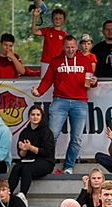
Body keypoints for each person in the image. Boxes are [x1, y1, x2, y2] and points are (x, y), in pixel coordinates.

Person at [31, 35, 95, 175]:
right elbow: (47, 80)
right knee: (52, 135)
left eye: (72, 47)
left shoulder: (85, 61)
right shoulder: (56, 61)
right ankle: (47, 163)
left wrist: (93, 82)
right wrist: (39, 91)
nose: (70, 50)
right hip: (60, 101)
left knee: (76, 138)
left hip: (80, 102)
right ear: (63, 47)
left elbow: (90, 80)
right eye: (67, 47)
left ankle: (68, 166)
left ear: (76, 47)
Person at [9, 105, 55, 195]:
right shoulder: (24, 132)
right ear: (29, 116)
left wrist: (30, 147)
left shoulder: (46, 131)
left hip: (46, 162)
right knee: (16, 168)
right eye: (33, 114)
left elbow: (47, 152)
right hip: (28, 160)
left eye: (38, 115)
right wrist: (24, 149)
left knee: (26, 169)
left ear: (41, 117)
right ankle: (8, 193)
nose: (35, 117)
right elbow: (21, 155)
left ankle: (22, 195)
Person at [31, 7, 67, 75]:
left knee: (59, 81)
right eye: (56, 18)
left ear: (64, 21)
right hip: (46, 62)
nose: (58, 20)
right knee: (45, 81)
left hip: (59, 63)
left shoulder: (65, 35)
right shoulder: (47, 30)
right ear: (52, 19)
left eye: (60, 18)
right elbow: (34, 32)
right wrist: (35, 17)